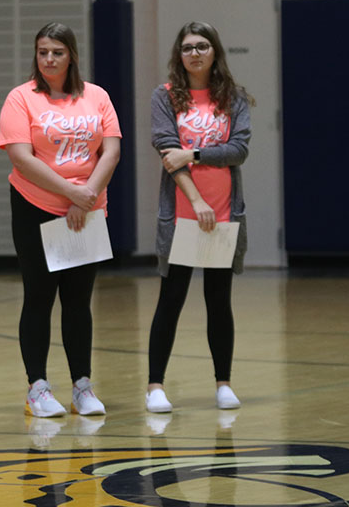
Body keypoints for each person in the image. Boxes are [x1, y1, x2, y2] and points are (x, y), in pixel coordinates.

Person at [0, 22, 121, 418]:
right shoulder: (21, 98)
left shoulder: (96, 96)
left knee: (78, 301)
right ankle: (37, 388)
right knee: (38, 296)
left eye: (57, 52)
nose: (49, 59)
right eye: (42, 52)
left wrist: (86, 198)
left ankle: (82, 386)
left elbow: (111, 151)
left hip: (85, 211)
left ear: (72, 56)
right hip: (36, 206)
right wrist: (72, 193)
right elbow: (21, 156)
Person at [146, 21, 252, 413]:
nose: (195, 53)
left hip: (224, 214)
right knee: (170, 299)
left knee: (218, 299)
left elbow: (238, 149)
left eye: (202, 46)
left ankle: (223, 383)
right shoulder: (166, 96)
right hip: (182, 216)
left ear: (215, 52)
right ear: (179, 54)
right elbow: (166, 148)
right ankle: (155, 385)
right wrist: (196, 199)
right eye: (188, 47)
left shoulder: (233, 97)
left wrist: (194, 154)